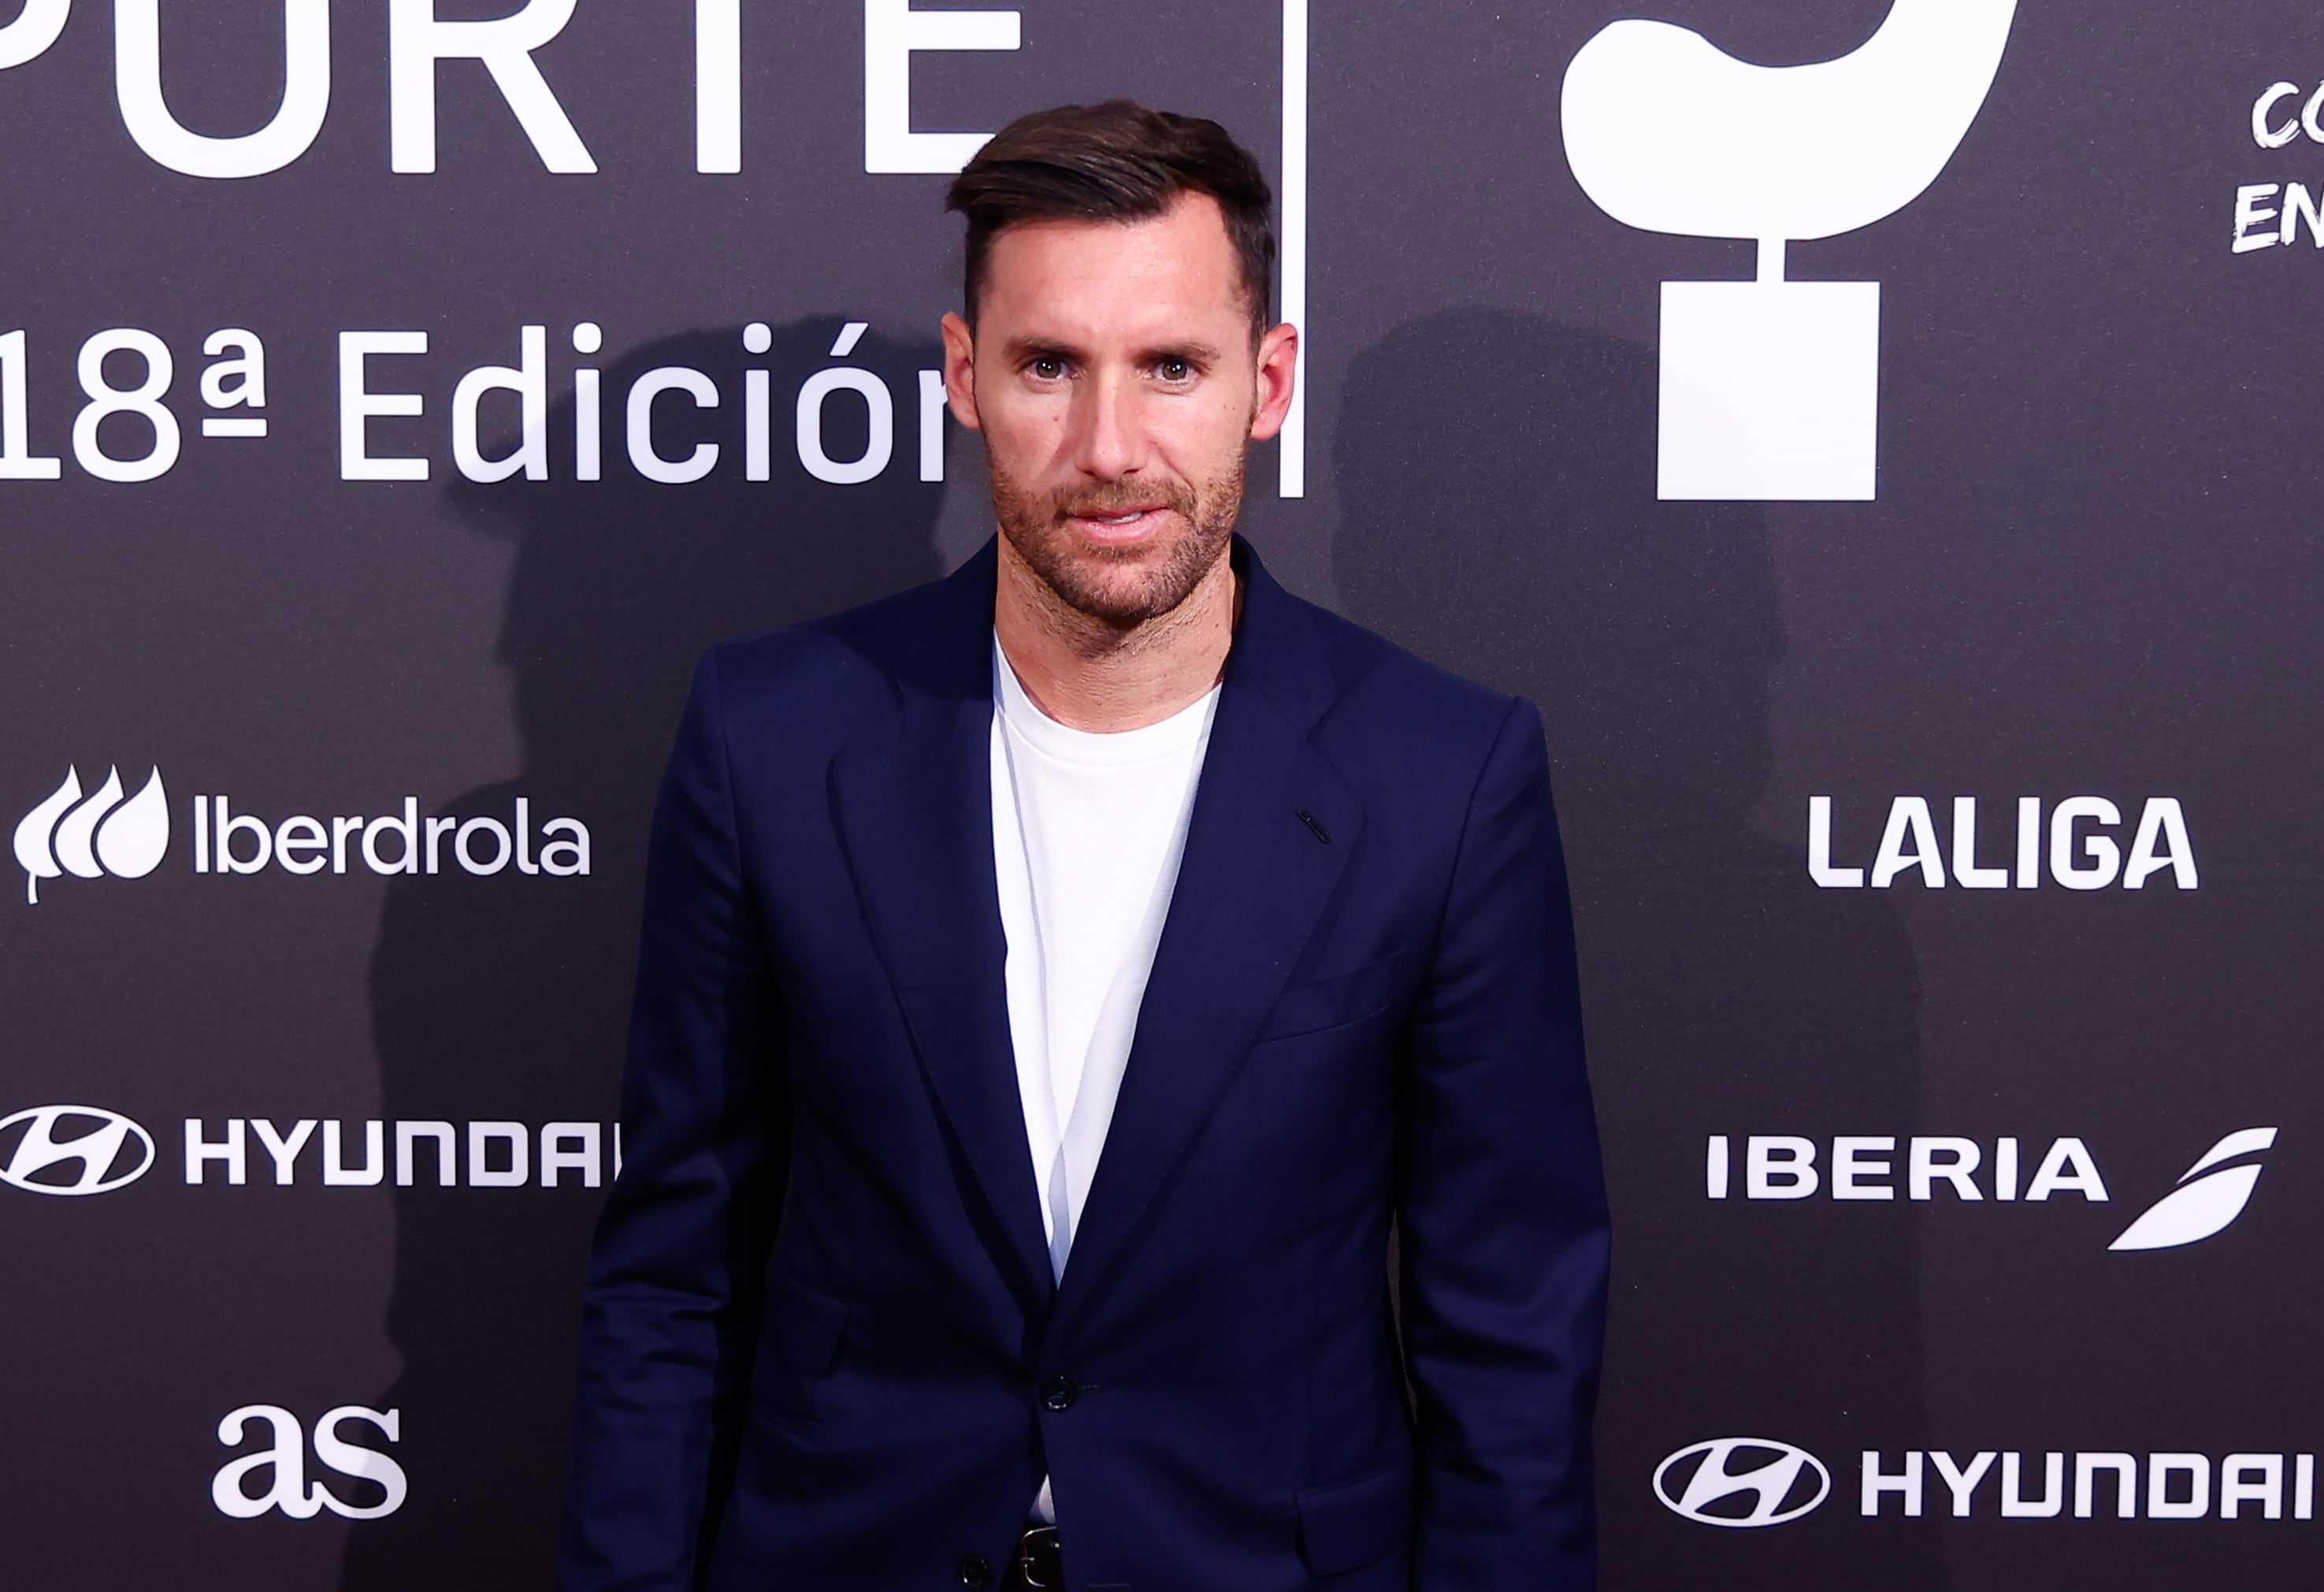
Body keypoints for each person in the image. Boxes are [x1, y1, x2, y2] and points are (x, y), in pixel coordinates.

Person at [559, 100, 1609, 1592]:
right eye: (1050, 364)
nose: (1111, 448)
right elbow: (673, 1274)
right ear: (964, 375)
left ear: (1268, 380)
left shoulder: (1443, 772)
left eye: (1171, 367)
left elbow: (1510, 1330)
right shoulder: (772, 735)